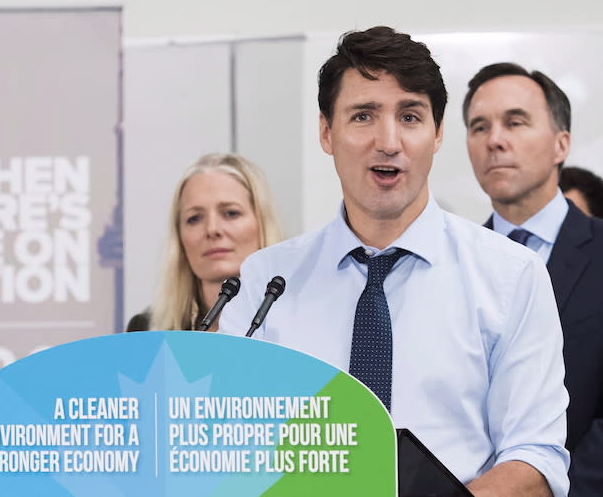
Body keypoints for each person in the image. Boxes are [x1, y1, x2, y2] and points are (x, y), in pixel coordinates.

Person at [220, 27, 569, 496]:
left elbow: (535, 457)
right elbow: (232, 447)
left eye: (410, 116)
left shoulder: (511, 276)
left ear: (438, 133)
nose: (388, 141)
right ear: (327, 132)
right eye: (363, 116)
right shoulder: (266, 281)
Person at [464, 62, 603, 496]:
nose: (495, 140)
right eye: (479, 127)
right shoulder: (454, 263)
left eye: (515, 122)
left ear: (561, 144)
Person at [127, 153, 282, 332]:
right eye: (194, 218)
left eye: (231, 213)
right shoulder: (146, 331)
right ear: (179, 237)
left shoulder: (300, 325)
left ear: (262, 223)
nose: (212, 229)